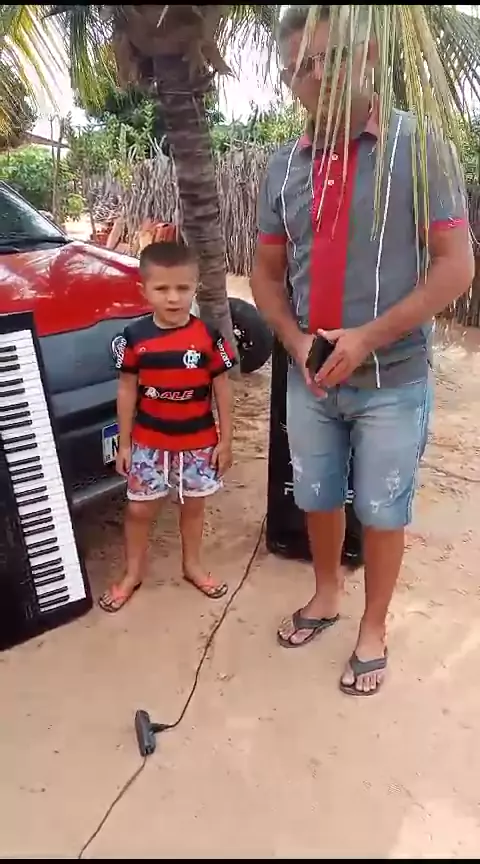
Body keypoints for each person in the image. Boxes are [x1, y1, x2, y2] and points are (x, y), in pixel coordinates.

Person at [250, 5, 474, 694]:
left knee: (381, 509)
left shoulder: (420, 146)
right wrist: (296, 342)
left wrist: (368, 337)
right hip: (311, 379)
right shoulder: (283, 166)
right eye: (297, 68)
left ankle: (373, 626)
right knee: (317, 496)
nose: (312, 78)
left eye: (327, 60)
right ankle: (326, 595)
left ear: (366, 59)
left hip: (392, 379)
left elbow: (455, 267)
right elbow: (265, 273)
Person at [99, 241, 237, 612]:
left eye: (182, 288)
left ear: (195, 288)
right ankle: (133, 573)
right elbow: (126, 390)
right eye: (162, 288)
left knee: (193, 507)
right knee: (139, 510)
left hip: (199, 443)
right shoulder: (133, 337)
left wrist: (226, 440)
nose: (173, 298)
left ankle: (192, 566)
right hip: (148, 443)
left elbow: (222, 389)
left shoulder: (209, 337)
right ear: (143, 289)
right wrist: (124, 443)